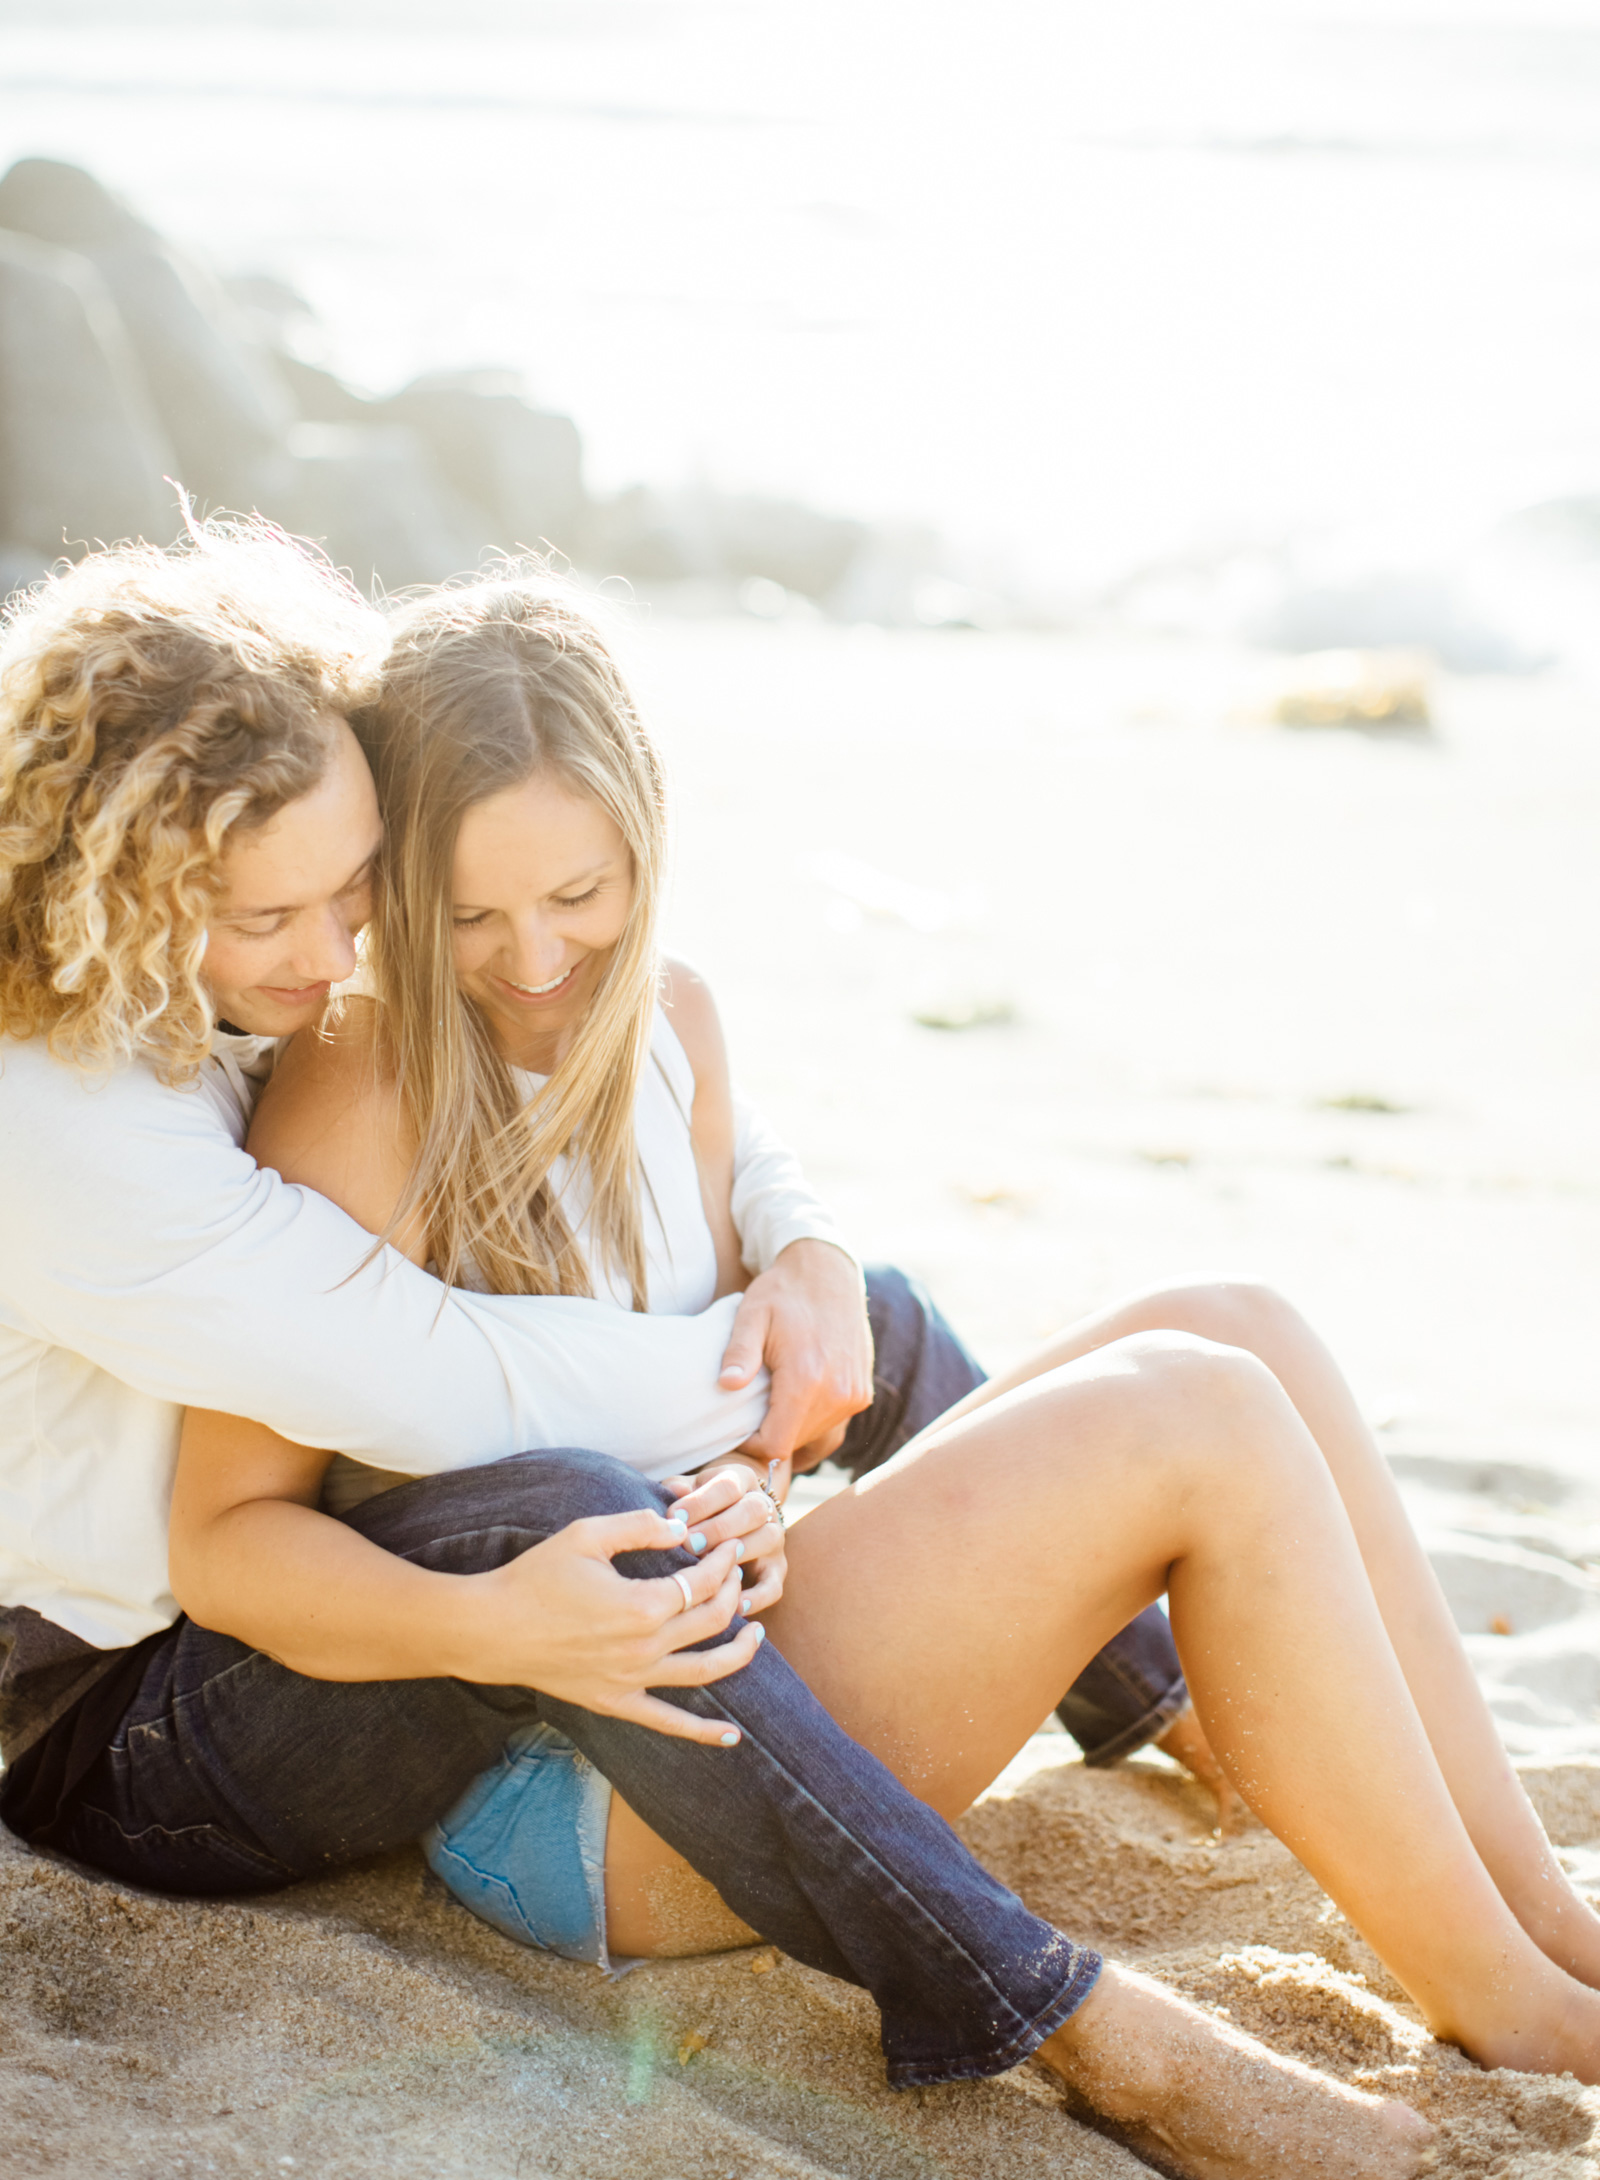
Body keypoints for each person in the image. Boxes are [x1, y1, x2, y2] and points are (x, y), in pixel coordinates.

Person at [171, 574, 1600, 2173]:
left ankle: (1544, 1916)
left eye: (580, 892)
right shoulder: (362, 1091)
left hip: (750, 1650)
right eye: (472, 911)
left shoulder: (674, 1018)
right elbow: (225, 1536)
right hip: (581, 1784)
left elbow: (715, 1398)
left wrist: (772, 1451)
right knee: (1198, 1415)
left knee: (1239, 1315)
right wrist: (494, 1617)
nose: (536, 957)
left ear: (646, 837)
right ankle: (1516, 2008)